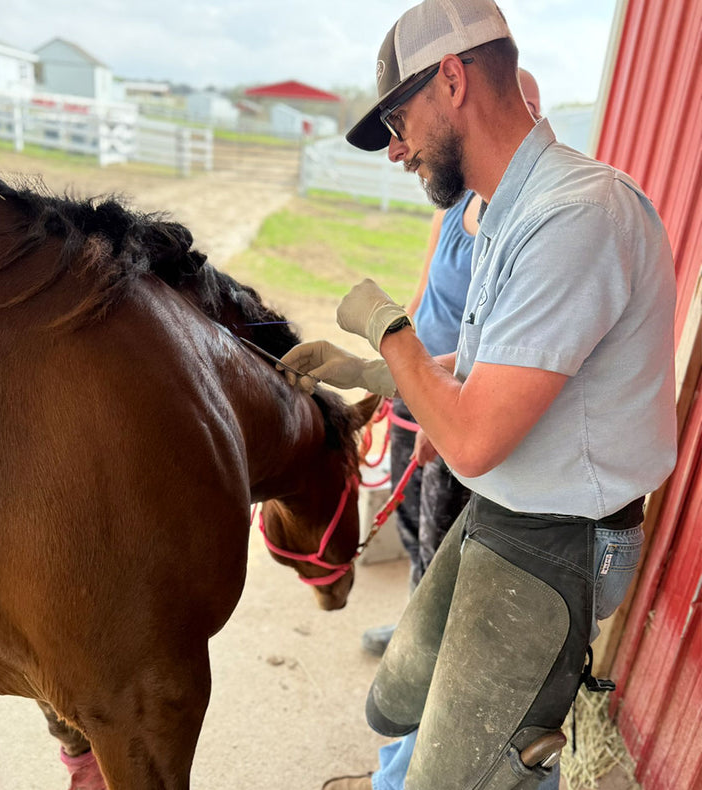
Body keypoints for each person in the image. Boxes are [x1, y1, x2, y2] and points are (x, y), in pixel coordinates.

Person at [281, 1, 677, 788]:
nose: (396, 150)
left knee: (469, 775)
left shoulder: (577, 216)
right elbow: (497, 368)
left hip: (560, 538)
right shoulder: (507, 211)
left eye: (398, 119)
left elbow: (473, 439)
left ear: (452, 79)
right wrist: (376, 376)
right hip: (509, 512)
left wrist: (386, 326)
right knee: (395, 702)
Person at [363, 68, 540, 662]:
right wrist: (389, 374)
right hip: (415, 382)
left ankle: (419, 653)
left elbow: (498, 356)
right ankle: (412, 625)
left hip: (454, 396)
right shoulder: (455, 206)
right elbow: (422, 297)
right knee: (408, 517)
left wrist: (417, 369)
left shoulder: (526, 226)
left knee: (441, 543)